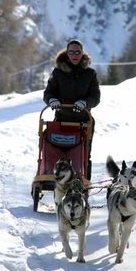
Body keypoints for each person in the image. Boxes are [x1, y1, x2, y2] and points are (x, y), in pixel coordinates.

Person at [43, 39, 101, 180]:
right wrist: (52, 100)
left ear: (82, 54)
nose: (74, 55)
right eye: (71, 52)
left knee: (83, 154)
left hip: (84, 122)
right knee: (60, 152)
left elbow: (95, 97)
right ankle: (56, 177)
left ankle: (82, 182)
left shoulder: (90, 74)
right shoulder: (58, 73)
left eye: (77, 52)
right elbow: (48, 93)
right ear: (67, 53)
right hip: (62, 120)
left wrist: (85, 103)